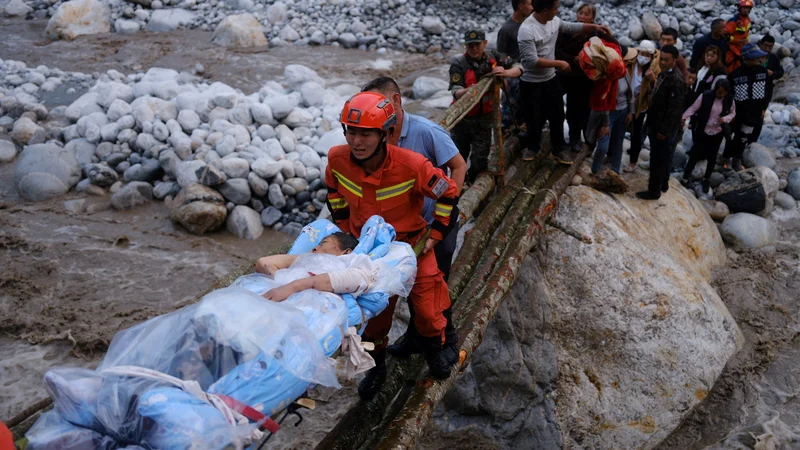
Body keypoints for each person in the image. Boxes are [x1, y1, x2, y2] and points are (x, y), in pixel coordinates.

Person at [325, 92, 460, 396]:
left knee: (428, 307)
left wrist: (435, 236)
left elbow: (448, 193)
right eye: (351, 132)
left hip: (412, 246)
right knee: (373, 318)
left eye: (364, 134)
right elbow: (333, 193)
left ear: (385, 134)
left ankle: (436, 348)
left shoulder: (412, 165)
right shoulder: (337, 159)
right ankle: (376, 367)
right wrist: (346, 230)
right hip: (369, 253)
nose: (356, 141)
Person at [360, 76, 464, 397]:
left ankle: (445, 340)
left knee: (435, 285)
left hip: (432, 227)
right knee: (380, 303)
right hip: (393, 235)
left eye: (378, 104)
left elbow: (457, 166)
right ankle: (392, 353)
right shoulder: (370, 137)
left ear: (395, 100)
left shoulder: (426, 132)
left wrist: (447, 206)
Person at [517, 0, 610, 162]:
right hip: (531, 81)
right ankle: (533, 147)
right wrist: (559, 63)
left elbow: (570, 26)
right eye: (555, 8)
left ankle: (559, 148)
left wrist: (595, 27)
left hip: (550, 78)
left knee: (557, 115)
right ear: (545, 10)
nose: (557, 11)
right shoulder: (526, 29)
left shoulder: (553, 21)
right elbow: (531, 61)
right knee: (533, 116)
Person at [449, 29, 522, 183]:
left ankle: (474, 183)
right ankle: (456, 189)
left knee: (480, 159)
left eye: (477, 44)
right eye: (470, 46)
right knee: (458, 158)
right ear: (465, 46)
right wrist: (472, 91)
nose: (474, 48)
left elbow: (518, 66)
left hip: (485, 119)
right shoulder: (458, 64)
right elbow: (455, 91)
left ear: (485, 43)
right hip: (463, 120)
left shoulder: (494, 57)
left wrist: (506, 73)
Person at [636, 45, 685, 200]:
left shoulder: (676, 80)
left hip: (662, 127)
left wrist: (664, 131)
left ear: (674, 60)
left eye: (666, 60)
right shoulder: (665, 74)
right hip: (656, 123)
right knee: (661, 158)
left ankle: (654, 190)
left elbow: (674, 109)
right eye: (661, 59)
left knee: (658, 159)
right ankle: (662, 183)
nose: (662, 62)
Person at [586, 43, 634, 175]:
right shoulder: (606, 77)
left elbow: (630, 94)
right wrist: (606, 124)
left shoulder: (624, 73)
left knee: (618, 142)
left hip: (623, 112)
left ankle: (615, 171)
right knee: (603, 145)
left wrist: (631, 111)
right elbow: (604, 103)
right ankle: (595, 170)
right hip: (608, 114)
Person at [681, 79, 736, 193]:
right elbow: (693, 107)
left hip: (717, 131)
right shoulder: (706, 96)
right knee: (695, 154)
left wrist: (724, 119)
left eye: (723, 93)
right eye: (719, 92)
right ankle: (685, 177)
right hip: (704, 129)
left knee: (712, 157)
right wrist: (684, 117)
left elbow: (732, 113)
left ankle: (706, 179)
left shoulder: (729, 100)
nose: (721, 95)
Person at [555, 3, 597, 153]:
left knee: (580, 109)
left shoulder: (594, 34)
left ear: (592, 18)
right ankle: (562, 137)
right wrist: (573, 59)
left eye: (587, 14)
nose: (582, 16)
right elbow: (556, 50)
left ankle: (578, 139)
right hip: (565, 73)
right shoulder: (567, 30)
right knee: (559, 106)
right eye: (581, 13)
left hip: (584, 78)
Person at [722, 43, 768, 172]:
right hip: (736, 114)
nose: (757, 60)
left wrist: (764, 108)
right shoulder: (735, 75)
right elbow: (729, 96)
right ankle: (726, 158)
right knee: (731, 136)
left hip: (753, 115)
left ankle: (737, 159)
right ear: (746, 58)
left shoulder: (763, 72)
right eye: (754, 58)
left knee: (743, 137)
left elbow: (768, 91)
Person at [624, 40, 660, 173]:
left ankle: (633, 162)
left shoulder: (653, 70)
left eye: (647, 55)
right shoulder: (631, 62)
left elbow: (653, 92)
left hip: (640, 105)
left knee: (635, 133)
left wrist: (651, 80)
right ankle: (611, 154)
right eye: (642, 53)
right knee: (618, 128)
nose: (643, 57)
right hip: (624, 100)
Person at [497, 0, 533, 129]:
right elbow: (500, 55)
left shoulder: (529, 24)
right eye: (529, 4)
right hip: (512, 76)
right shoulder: (506, 29)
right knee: (509, 109)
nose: (531, 7)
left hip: (529, 73)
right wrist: (503, 78)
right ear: (520, 6)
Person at [724, 0, 753, 73]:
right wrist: (739, 41)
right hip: (731, 50)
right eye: (743, 8)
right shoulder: (733, 21)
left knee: (739, 69)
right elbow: (725, 36)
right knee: (729, 68)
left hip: (741, 50)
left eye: (747, 8)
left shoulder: (748, 20)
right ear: (740, 8)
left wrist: (747, 41)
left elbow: (747, 33)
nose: (745, 10)